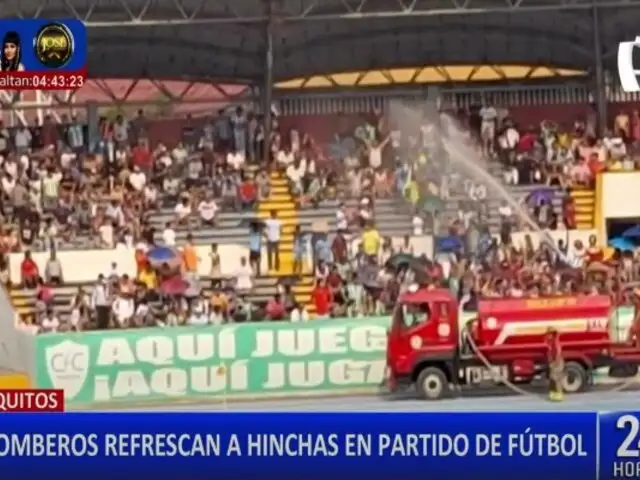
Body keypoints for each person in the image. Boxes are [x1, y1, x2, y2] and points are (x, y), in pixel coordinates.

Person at [546, 328, 564, 402]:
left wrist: (555, 363)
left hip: (557, 362)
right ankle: (554, 394)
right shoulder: (551, 342)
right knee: (552, 378)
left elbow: (558, 352)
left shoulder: (555, 342)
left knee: (556, 379)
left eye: (548, 334)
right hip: (554, 362)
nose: (547, 335)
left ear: (552, 334)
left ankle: (559, 395)